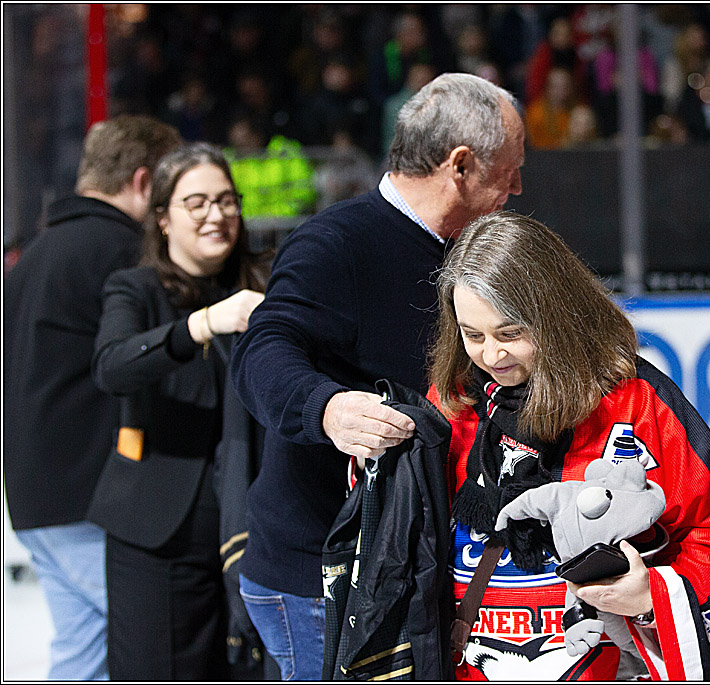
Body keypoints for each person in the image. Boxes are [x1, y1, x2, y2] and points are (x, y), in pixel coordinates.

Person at [230, 72, 524, 680]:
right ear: (461, 165)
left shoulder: (474, 250)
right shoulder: (336, 243)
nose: (517, 188)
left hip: (407, 567)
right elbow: (262, 349)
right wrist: (328, 409)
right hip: (322, 579)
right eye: (509, 169)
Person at [427, 211, 710, 680]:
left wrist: (651, 600)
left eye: (510, 333)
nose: (491, 354)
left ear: (555, 316)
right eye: (472, 335)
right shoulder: (451, 403)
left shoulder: (636, 403)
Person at [3, 114, 181, 681]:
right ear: (143, 180)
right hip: (97, 494)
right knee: (160, 644)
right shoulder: (122, 253)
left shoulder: (30, 257)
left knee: (82, 655)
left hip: (35, 495)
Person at [87, 142, 267, 680]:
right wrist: (202, 324)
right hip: (158, 530)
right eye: (198, 203)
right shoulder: (135, 289)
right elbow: (112, 366)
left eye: (227, 201)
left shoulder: (264, 282)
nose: (217, 215)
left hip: (249, 527)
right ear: (163, 218)